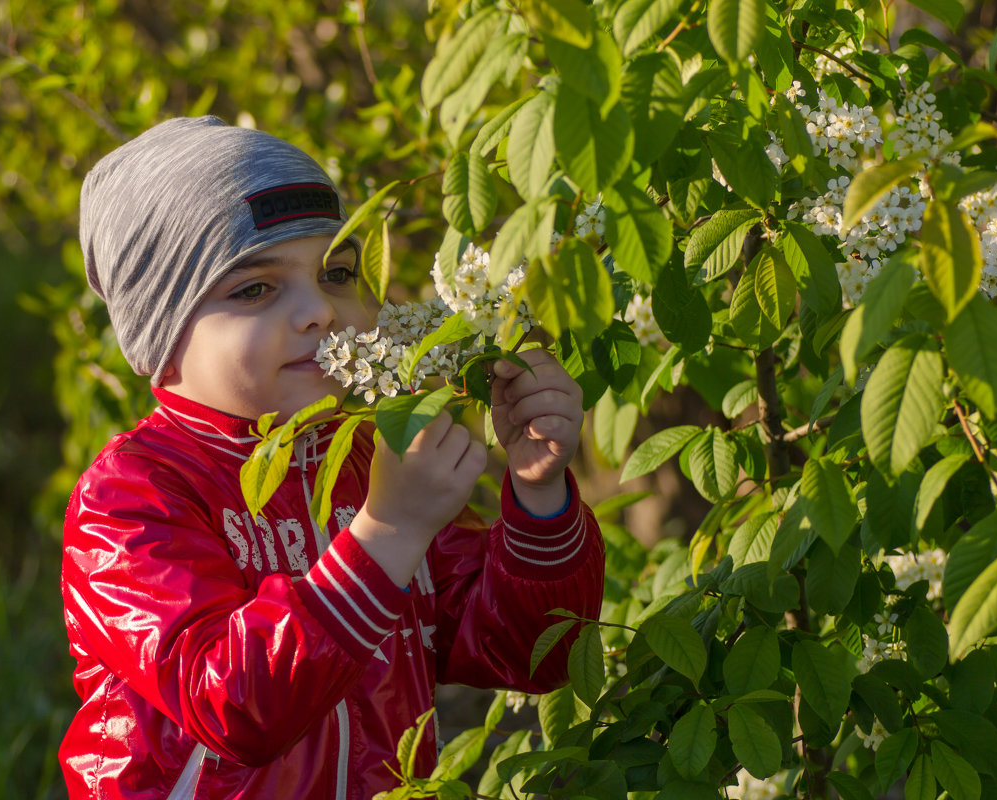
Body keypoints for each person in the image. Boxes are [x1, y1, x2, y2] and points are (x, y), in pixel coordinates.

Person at [59, 115, 604, 799]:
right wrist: (388, 533)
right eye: (254, 288)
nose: (318, 309)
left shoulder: (367, 456)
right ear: (161, 334)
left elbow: (530, 649)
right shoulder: (132, 496)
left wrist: (539, 491)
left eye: (338, 273)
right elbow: (233, 705)